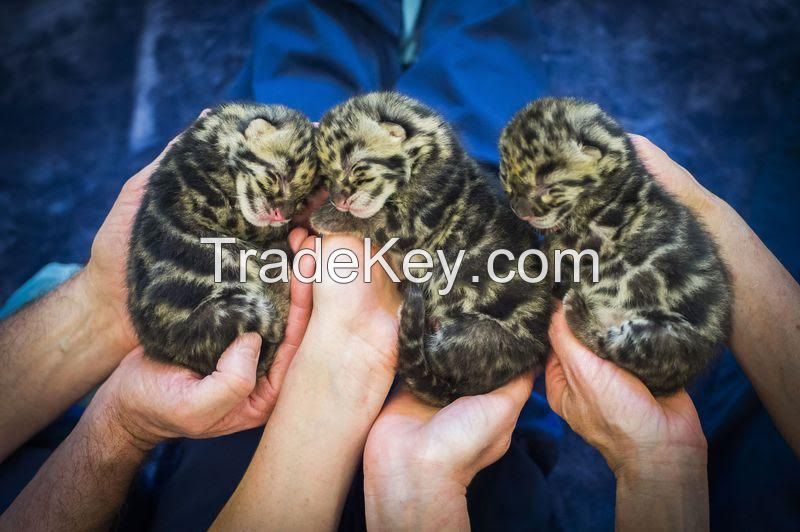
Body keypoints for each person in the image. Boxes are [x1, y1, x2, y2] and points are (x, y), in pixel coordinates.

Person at [0, 122, 798, 529]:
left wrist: (340, 360)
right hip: (459, 409)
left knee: (303, 70)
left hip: (251, 421)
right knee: (481, 84)